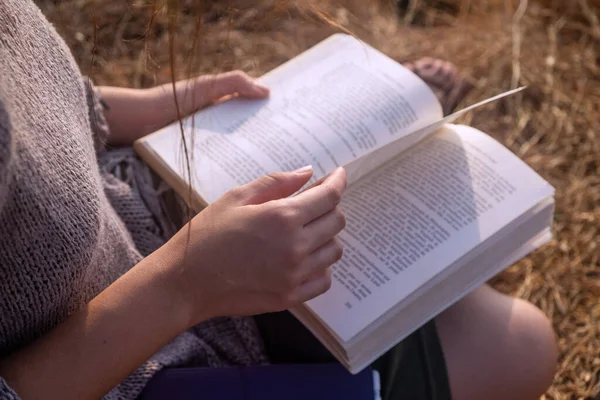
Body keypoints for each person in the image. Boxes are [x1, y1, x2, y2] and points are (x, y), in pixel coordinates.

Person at [0, 1, 558, 399]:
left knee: (458, 291)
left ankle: (395, 122)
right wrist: (186, 286)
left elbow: (32, 99)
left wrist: (140, 108)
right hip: (145, 360)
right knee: (522, 345)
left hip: (149, 192)